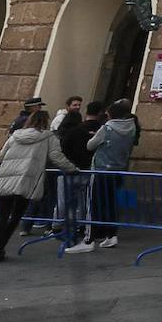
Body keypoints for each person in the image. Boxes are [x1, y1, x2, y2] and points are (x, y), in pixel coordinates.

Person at [0, 110, 79, 263]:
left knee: (3, 215)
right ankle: (1, 247)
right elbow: (56, 157)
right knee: (16, 216)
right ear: (46, 122)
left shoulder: (15, 136)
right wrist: (72, 169)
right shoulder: (48, 137)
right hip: (26, 180)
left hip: (6, 178)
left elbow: (2, 155)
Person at [72, 99, 138, 251]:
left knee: (93, 204)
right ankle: (111, 235)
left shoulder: (107, 128)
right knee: (111, 203)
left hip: (101, 169)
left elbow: (90, 146)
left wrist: (95, 136)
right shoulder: (131, 127)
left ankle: (88, 240)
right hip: (118, 169)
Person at [54, 101, 102, 248]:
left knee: (64, 200)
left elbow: (61, 150)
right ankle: (78, 225)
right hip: (85, 169)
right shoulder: (87, 133)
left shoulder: (67, 134)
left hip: (68, 170)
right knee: (81, 200)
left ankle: (59, 226)